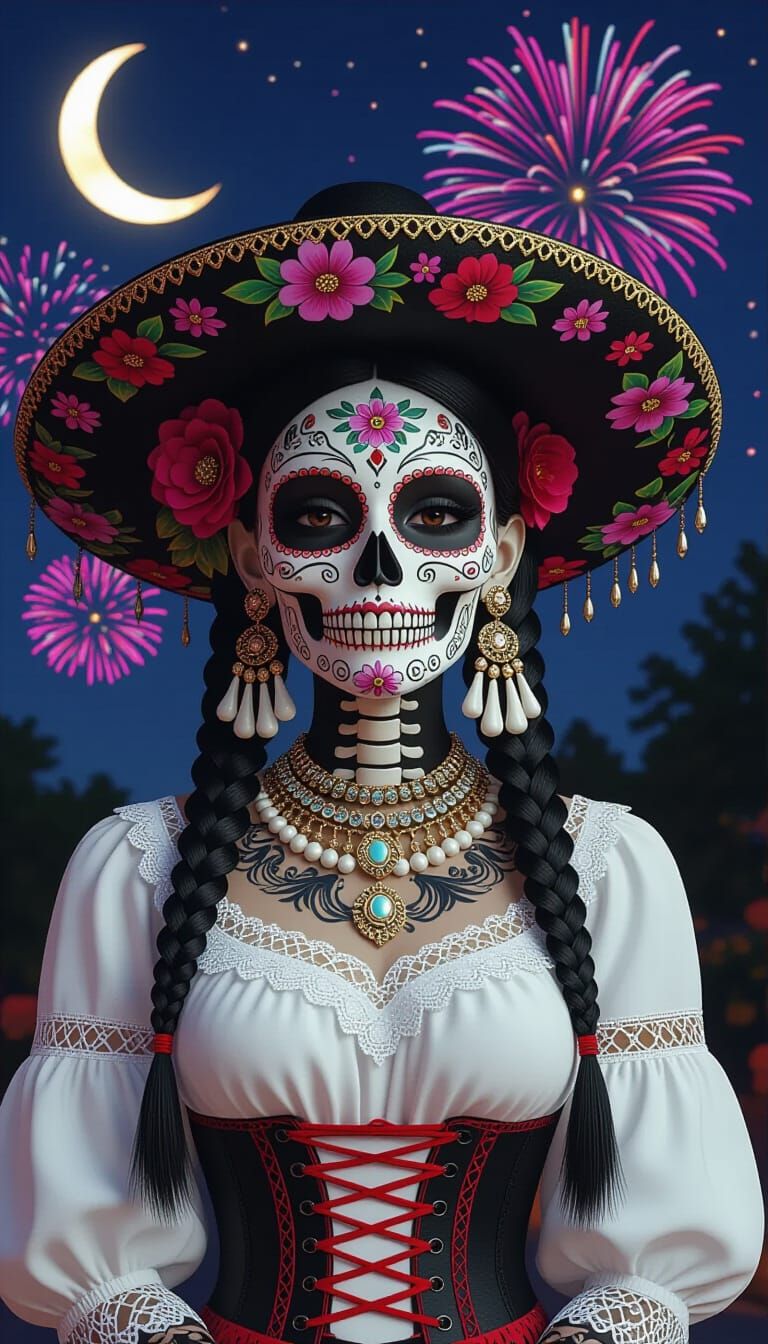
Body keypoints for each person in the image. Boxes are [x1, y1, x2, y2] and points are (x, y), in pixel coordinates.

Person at [1, 181, 763, 1344]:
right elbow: (95, 1257)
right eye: (317, 518)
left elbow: (650, 1269)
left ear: (502, 553)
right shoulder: (136, 871)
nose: (376, 572)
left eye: (436, 516)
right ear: (251, 555)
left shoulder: (610, 868)